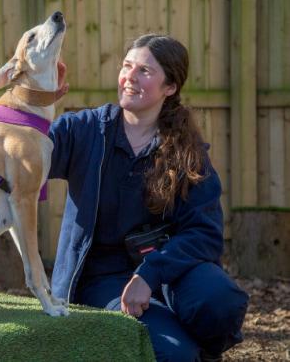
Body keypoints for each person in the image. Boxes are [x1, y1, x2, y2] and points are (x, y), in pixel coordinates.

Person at [48, 34, 249, 361]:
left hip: (169, 272)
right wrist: (38, 102)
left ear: (169, 88)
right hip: (102, 279)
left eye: (145, 71)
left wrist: (151, 272)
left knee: (221, 301)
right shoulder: (82, 131)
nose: (129, 77)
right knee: (173, 352)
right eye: (127, 66)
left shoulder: (187, 152)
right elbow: (23, 154)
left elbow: (205, 233)